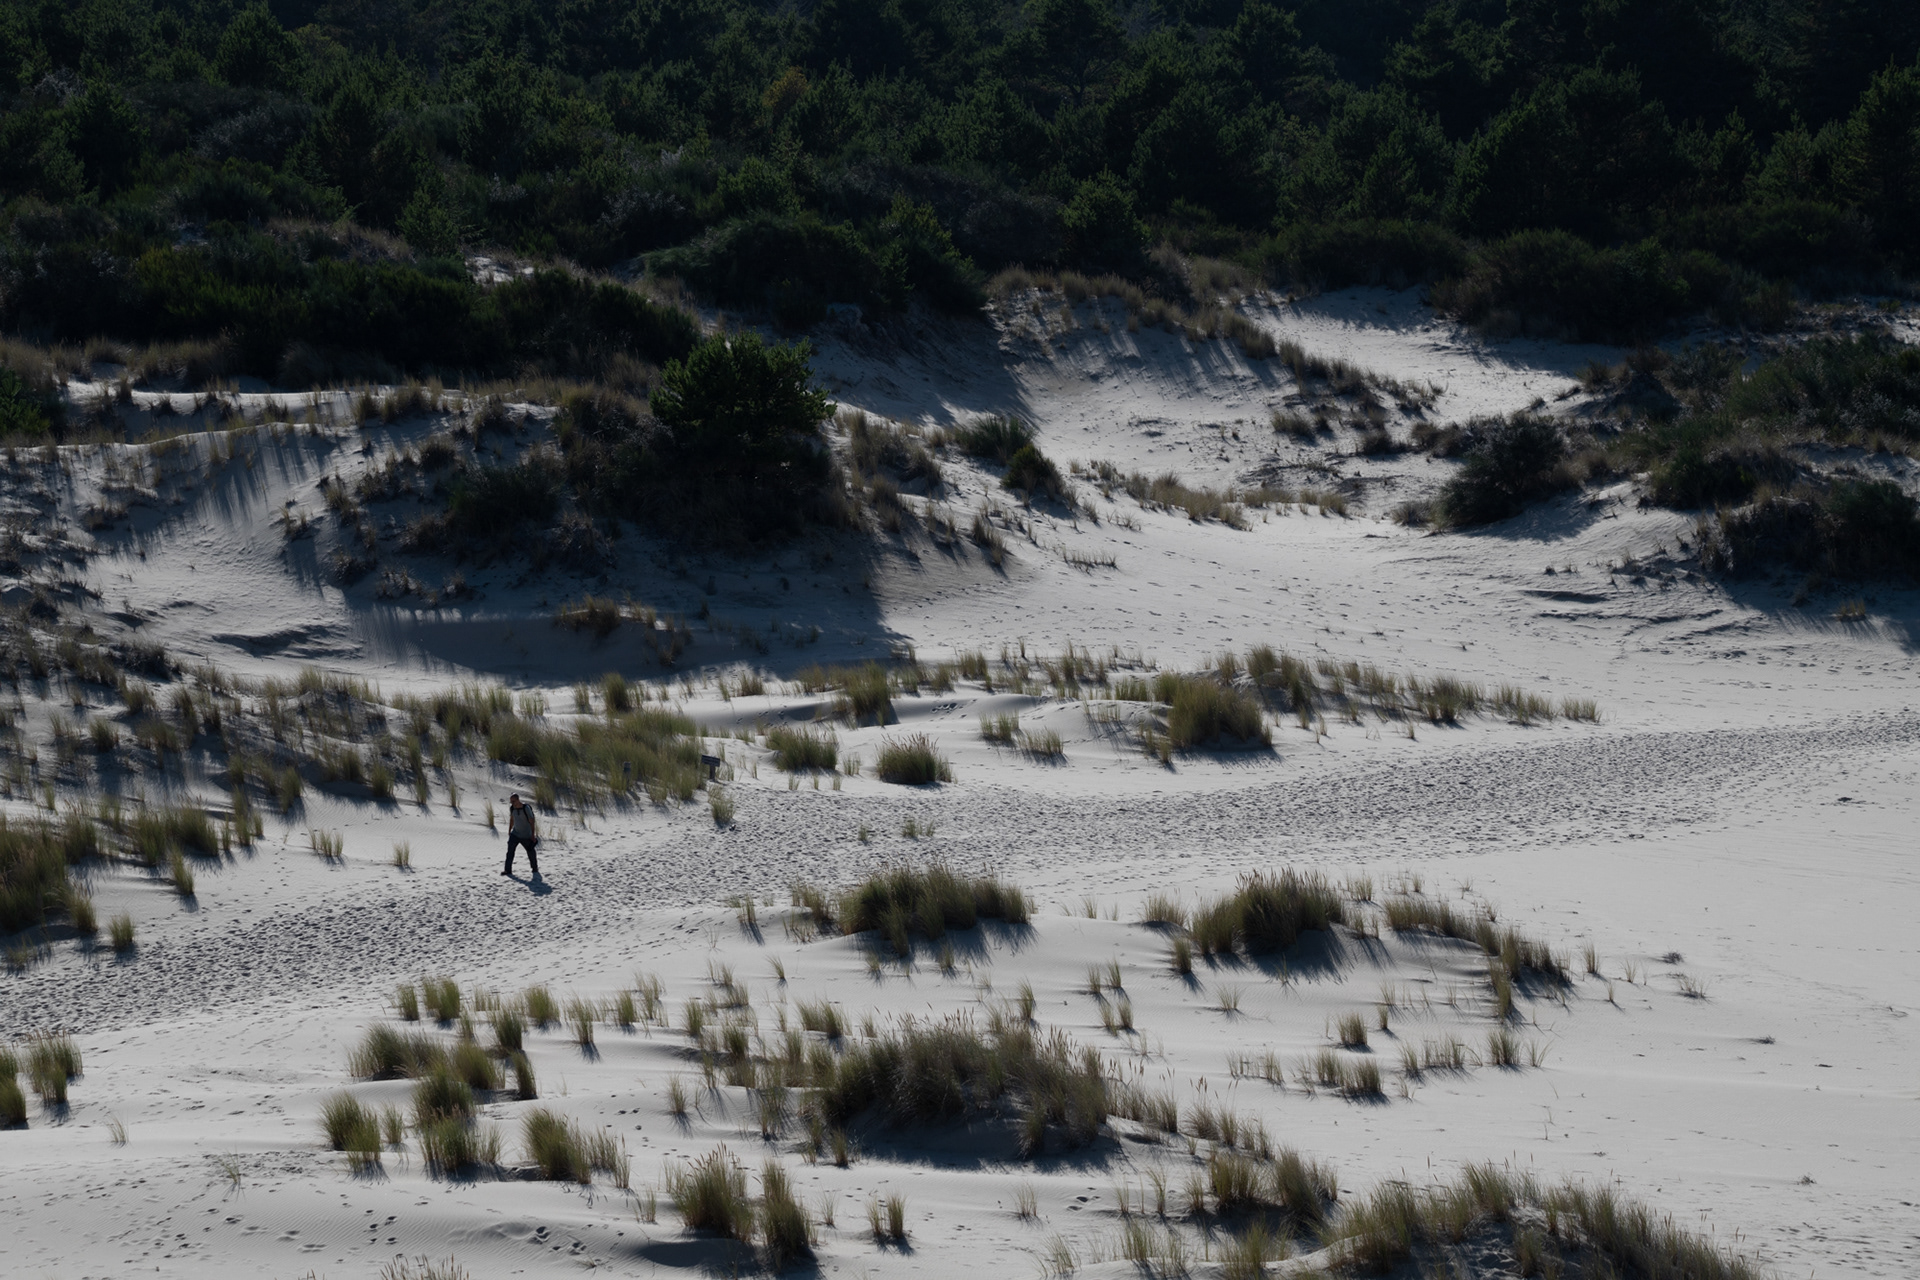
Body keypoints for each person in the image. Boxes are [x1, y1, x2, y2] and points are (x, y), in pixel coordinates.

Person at [503, 793, 539, 877]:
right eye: (511, 802)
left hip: (526, 835)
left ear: (518, 800)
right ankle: (507, 870)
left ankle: (535, 868)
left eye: (513, 801)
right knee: (510, 852)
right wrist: (509, 830)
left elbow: (532, 821)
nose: (512, 803)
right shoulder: (512, 809)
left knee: (531, 852)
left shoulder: (526, 808)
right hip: (515, 834)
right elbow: (512, 819)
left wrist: (532, 835)